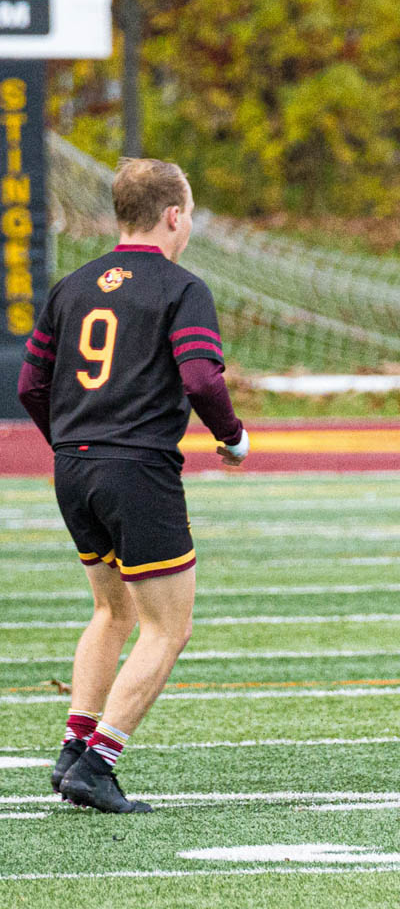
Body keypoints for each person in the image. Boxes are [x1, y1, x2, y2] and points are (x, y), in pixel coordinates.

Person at [16, 158, 249, 813]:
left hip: (73, 466)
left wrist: (72, 439)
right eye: (190, 213)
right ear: (174, 215)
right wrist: (232, 436)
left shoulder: (71, 286)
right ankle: (98, 763)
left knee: (111, 611)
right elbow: (201, 377)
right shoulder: (181, 288)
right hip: (137, 469)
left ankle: (74, 747)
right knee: (167, 627)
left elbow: (31, 385)